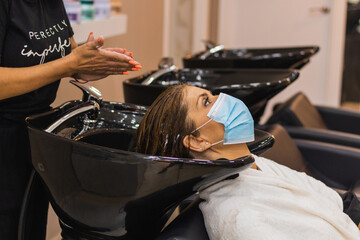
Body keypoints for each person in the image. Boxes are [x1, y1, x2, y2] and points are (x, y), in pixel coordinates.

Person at [136, 84, 360, 239]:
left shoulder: (255, 165)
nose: (222, 99)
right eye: (206, 102)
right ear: (196, 141)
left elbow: (340, 205)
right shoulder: (239, 217)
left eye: (212, 95)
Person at [0, 0, 142, 239]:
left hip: (35, 132)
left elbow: (67, 55)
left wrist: (89, 63)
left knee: (28, 223)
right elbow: (62, 64)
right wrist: (69, 65)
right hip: (4, 136)